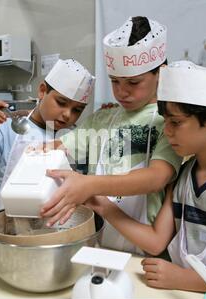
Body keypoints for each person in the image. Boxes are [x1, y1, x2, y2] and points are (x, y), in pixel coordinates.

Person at [87, 61, 206, 292]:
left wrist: (185, 279)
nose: (167, 131)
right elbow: (156, 241)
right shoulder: (185, 175)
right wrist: (103, 205)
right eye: (166, 121)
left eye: (176, 122)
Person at [40, 16, 182, 255]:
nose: (121, 92)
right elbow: (62, 147)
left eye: (133, 82)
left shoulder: (168, 123)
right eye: (115, 82)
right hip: (99, 241)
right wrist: (40, 151)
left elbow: (156, 178)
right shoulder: (102, 119)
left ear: (161, 73)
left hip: (144, 250)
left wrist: (89, 185)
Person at [0, 59, 95, 212]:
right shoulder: (8, 127)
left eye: (77, 110)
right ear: (42, 90)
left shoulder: (74, 139)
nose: (67, 114)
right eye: (61, 102)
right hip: (8, 225)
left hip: (57, 228)